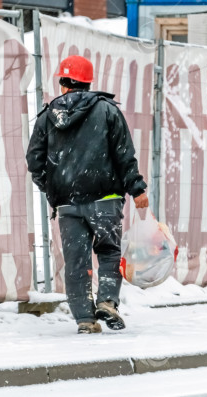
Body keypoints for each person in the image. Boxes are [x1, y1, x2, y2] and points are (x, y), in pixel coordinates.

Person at [26, 55, 149, 334]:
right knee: (107, 252)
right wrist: (137, 188)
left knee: (76, 261)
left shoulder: (47, 116)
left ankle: (84, 319)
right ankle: (107, 301)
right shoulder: (107, 110)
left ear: (63, 83)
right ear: (87, 81)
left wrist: (54, 187)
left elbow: (34, 161)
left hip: (68, 203)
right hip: (105, 199)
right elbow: (124, 155)